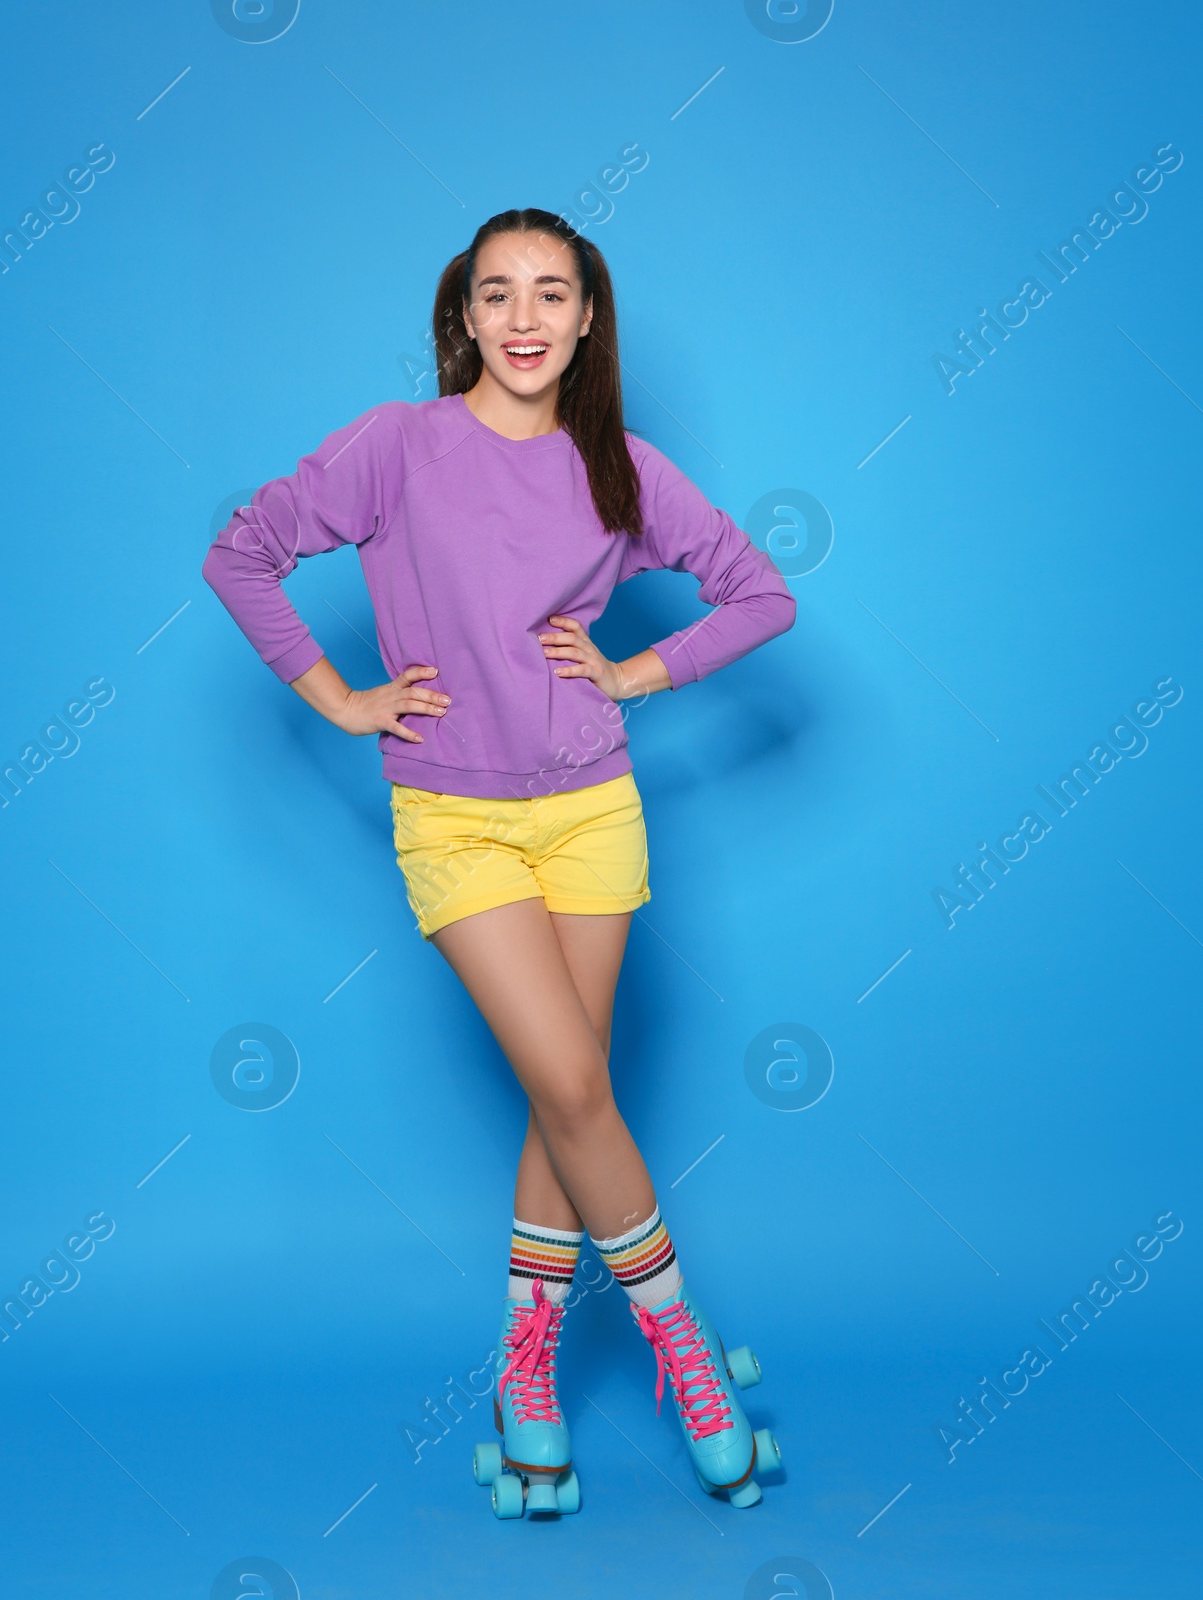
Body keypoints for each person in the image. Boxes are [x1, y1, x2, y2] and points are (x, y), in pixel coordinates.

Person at [202, 207, 796, 1519]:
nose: (523, 319)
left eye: (552, 294)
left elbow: (762, 598)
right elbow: (240, 552)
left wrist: (643, 670)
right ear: (462, 316)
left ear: (589, 319)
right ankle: (681, 1347)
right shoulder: (395, 448)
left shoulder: (625, 471)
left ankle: (527, 1372)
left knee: (559, 1093)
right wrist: (336, 696)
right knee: (577, 1079)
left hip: (593, 809)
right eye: (496, 294)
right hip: (454, 816)